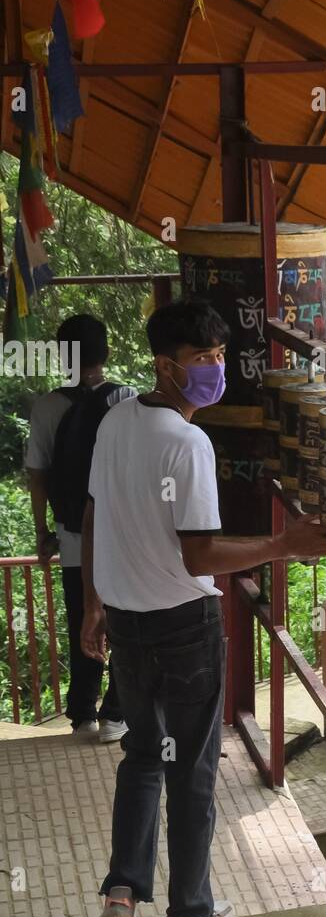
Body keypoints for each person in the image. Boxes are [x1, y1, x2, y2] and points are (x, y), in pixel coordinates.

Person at [80, 299, 326, 917]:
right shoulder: (188, 444)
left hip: (127, 620)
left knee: (143, 753)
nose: (216, 370)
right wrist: (285, 544)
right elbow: (199, 551)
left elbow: (92, 515)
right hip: (183, 627)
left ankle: (121, 895)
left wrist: (93, 601)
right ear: (167, 367)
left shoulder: (115, 422)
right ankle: (190, 907)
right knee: (190, 765)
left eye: (221, 356)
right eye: (203, 359)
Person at [25, 313, 135, 743]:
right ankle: (116, 714)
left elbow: (38, 475)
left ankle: (83, 713)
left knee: (82, 622)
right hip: (123, 539)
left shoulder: (49, 407)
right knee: (125, 621)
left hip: (73, 539)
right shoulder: (128, 399)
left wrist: (43, 534)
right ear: (106, 353)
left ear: (61, 356)